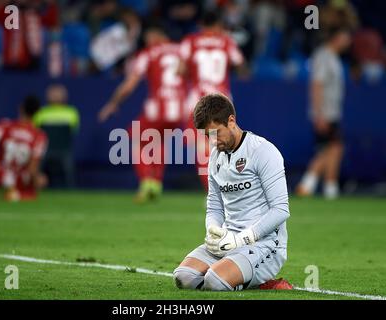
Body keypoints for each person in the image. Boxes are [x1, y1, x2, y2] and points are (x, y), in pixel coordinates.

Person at [173, 94, 291, 291]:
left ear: (231, 121)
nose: (213, 141)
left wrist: (243, 238)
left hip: (264, 244)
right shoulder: (215, 157)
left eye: (216, 133)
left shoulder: (263, 151)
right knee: (183, 277)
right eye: (207, 136)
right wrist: (213, 230)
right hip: (228, 241)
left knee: (214, 281)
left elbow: (281, 210)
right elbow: (214, 206)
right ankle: (236, 275)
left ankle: (262, 281)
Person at [98, 23, 186, 203]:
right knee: (160, 140)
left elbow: (130, 84)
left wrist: (113, 103)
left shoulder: (149, 53)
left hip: (157, 107)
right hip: (179, 108)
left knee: (137, 139)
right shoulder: (181, 50)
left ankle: (147, 181)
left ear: (155, 34)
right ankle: (156, 183)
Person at [178, 11, 246, 190]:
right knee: (226, 144)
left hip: (198, 101)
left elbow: (180, 70)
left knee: (202, 147)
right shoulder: (226, 41)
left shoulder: (190, 41)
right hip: (222, 102)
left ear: (201, 25)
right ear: (218, 25)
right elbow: (241, 66)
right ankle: (232, 188)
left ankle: (212, 191)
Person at [296, 26, 351, 199]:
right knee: (333, 148)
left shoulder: (334, 57)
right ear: (337, 37)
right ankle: (314, 186)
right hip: (325, 112)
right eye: (345, 36)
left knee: (332, 149)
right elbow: (316, 85)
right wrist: (319, 114)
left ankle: (322, 187)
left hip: (332, 112)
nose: (348, 41)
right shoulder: (323, 56)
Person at [34, 84, 79, 188]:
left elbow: (36, 132)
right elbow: (74, 131)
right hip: (62, 152)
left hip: (48, 152)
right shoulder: (72, 113)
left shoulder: (41, 113)